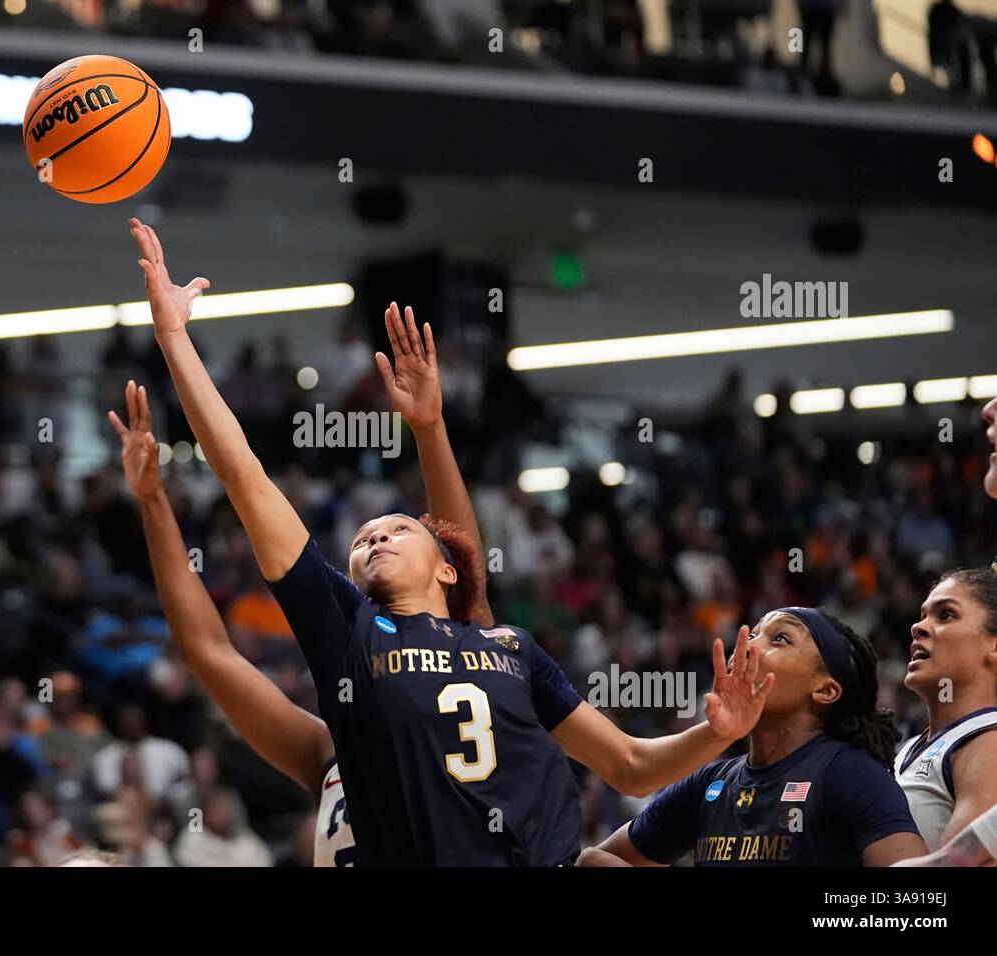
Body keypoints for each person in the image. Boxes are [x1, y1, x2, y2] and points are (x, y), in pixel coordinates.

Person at [129, 218, 775, 866]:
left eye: (398, 528)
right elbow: (244, 477)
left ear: (445, 571)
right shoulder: (350, 636)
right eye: (364, 537)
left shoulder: (507, 647)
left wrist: (717, 732)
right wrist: (174, 338)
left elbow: (631, 764)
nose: (376, 534)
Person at [108, 380, 355, 866]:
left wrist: (429, 428)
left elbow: (470, 591)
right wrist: (153, 501)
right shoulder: (326, 750)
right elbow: (207, 652)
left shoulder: (455, 727)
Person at [577, 608, 925, 866]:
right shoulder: (710, 783)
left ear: (825, 690)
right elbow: (595, 861)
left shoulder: (849, 773)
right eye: (753, 633)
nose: (748, 645)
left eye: (780, 639)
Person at [895, 563, 997, 850]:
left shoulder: (988, 742)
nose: (917, 627)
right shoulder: (908, 747)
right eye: (923, 616)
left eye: (946, 615)